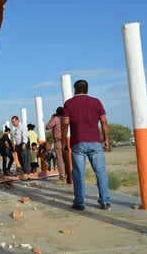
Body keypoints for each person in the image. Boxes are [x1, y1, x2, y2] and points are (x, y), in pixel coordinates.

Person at [61, 79, 111, 211]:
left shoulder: (69, 104)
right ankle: (105, 201)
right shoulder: (96, 101)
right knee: (100, 172)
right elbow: (104, 121)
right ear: (87, 89)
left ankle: (79, 202)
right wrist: (106, 139)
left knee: (78, 173)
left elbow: (65, 123)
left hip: (78, 142)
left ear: (75, 89)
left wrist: (63, 140)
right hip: (95, 141)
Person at [46, 106, 67, 184]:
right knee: (67, 159)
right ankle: (68, 176)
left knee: (59, 159)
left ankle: (62, 178)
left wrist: (51, 118)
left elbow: (47, 127)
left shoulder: (56, 119)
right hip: (66, 140)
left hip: (58, 141)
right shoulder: (65, 119)